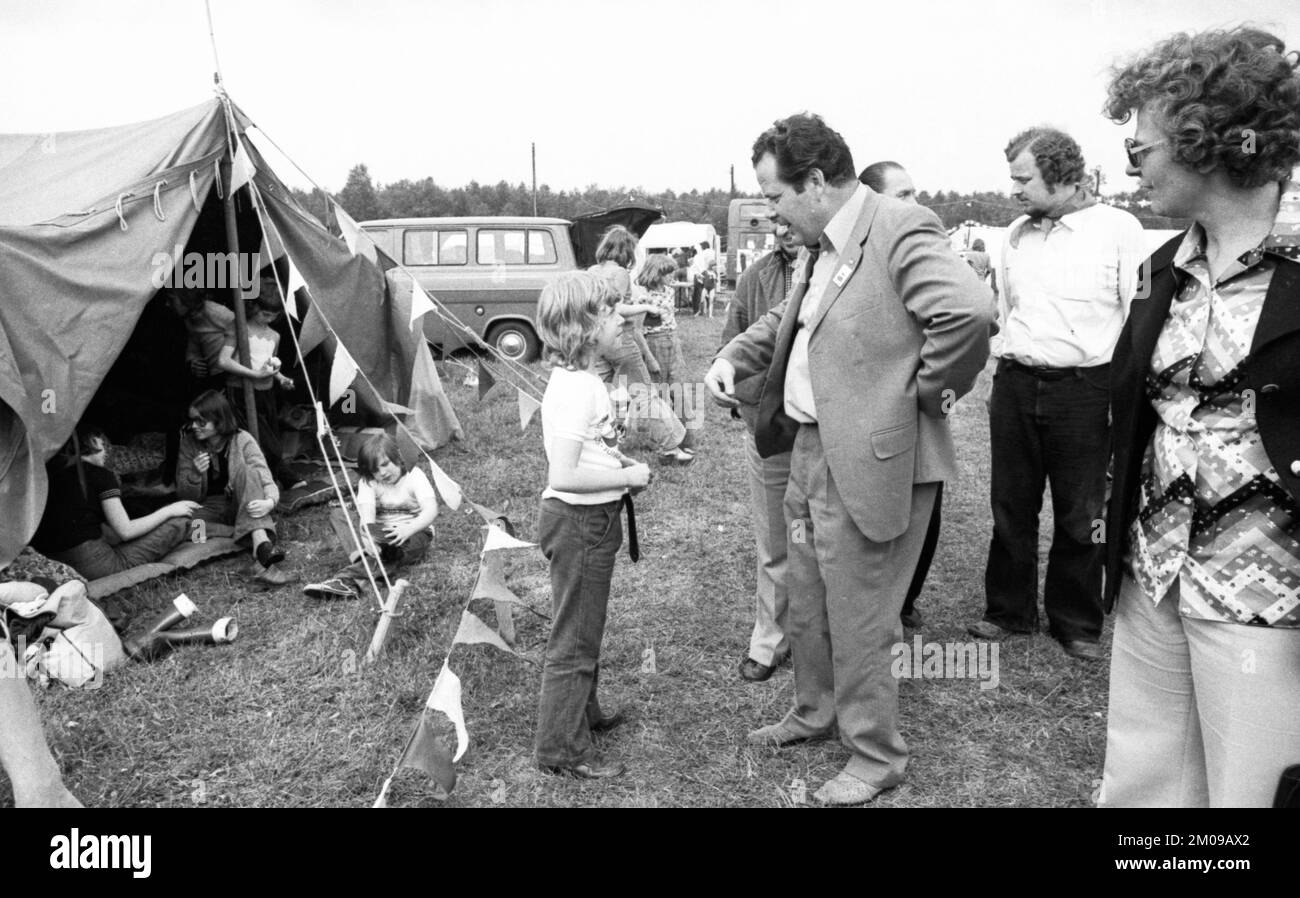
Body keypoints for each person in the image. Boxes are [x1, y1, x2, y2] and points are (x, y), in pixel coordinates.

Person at [706, 113, 991, 804]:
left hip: (867, 459)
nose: (770, 212)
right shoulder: (821, 242)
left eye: (774, 197)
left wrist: (916, 396)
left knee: (861, 613)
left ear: (813, 183)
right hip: (807, 448)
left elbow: (969, 313)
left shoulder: (899, 224)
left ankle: (875, 756)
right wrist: (733, 353)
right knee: (807, 595)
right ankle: (813, 710)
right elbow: (792, 320)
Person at [1098, 26, 1300, 807]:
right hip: (1153, 579)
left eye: (1140, 147)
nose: (1133, 166)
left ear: (1203, 140)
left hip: (1269, 606)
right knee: (1143, 790)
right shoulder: (1164, 271)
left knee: (1251, 796)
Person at [968, 127, 1147, 662]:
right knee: (1010, 506)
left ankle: (1076, 621)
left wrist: (1120, 399)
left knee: (1081, 512)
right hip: (1017, 384)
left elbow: (1135, 319)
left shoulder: (1120, 228)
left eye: (1023, 178)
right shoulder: (1016, 233)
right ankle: (1008, 612)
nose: (1014, 189)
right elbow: (1011, 308)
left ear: (1064, 175)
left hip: (1085, 391)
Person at [532, 271, 652, 779]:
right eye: (608, 313)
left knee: (586, 626)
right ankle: (560, 750)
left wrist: (614, 462)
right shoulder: (579, 388)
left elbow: (587, 450)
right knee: (575, 639)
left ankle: (585, 712)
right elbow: (563, 473)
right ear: (584, 327)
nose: (618, 320)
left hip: (591, 521)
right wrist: (628, 475)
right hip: (580, 522)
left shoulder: (582, 382)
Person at [860, 160, 936, 629]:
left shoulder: (924, 251)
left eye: (916, 193)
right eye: (904, 195)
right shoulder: (860, 253)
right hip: (872, 419)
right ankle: (875, 616)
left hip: (919, 414)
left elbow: (969, 320)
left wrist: (930, 386)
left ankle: (900, 606)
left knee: (921, 517)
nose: (916, 205)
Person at [723, 222, 800, 682]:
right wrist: (747, 398)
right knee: (775, 539)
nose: (780, 225)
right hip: (770, 427)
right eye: (773, 211)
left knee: (829, 540)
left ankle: (829, 639)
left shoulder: (843, 266)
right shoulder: (755, 276)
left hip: (832, 428)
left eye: (787, 207)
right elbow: (732, 340)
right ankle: (770, 640)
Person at [30, 425, 196, 580]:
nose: (107, 452)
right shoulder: (100, 474)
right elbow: (126, 531)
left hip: (54, 561)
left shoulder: (48, 474)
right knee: (181, 522)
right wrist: (170, 510)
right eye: (104, 445)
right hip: (96, 566)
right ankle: (203, 541)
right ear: (93, 441)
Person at [590, 226, 696, 464]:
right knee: (645, 394)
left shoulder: (592, 271)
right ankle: (671, 447)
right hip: (619, 337)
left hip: (595, 339)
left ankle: (597, 444)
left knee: (599, 392)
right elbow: (615, 308)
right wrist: (646, 307)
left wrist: (637, 299)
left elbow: (599, 304)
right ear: (625, 251)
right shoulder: (620, 273)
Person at [175, 389, 292, 585]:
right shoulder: (188, 444)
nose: (194, 426)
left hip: (240, 503)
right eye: (192, 420)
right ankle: (254, 537)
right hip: (207, 508)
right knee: (185, 525)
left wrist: (270, 502)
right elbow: (184, 497)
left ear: (219, 420)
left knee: (248, 472)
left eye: (200, 421)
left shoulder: (242, 439)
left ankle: (256, 539)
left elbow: (264, 477)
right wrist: (195, 474)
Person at [304, 434, 437, 600]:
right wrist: (367, 538)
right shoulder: (368, 482)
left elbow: (431, 511)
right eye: (375, 470)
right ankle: (371, 567)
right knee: (339, 515)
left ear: (397, 456)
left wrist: (407, 530)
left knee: (393, 548)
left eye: (385, 464)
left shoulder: (414, 475)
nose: (382, 473)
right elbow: (367, 518)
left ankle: (346, 579)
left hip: (414, 533)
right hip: (380, 533)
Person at [217, 272, 305, 491]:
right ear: (252, 306)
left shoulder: (274, 335)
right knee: (263, 441)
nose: (269, 319)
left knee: (272, 435)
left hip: (266, 392)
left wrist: (281, 377)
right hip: (241, 391)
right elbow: (223, 360)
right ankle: (285, 477)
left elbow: (268, 364)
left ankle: (267, 481)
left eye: (273, 316)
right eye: (265, 313)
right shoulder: (239, 328)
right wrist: (252, 374)